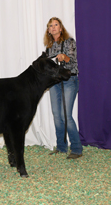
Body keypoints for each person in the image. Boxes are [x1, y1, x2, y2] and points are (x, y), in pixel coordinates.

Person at [44, 17, 83, 159]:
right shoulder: (49, 46)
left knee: (66, 115)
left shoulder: (69, 42)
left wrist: (64, 57)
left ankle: (77, 149)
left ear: (61, 28)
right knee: (56, 115)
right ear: (48, 30)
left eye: (56, 25)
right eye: (50, 26)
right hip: (54, 82)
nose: (53, 28)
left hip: (69, 80)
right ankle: (61, 147)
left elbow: (72, 61)